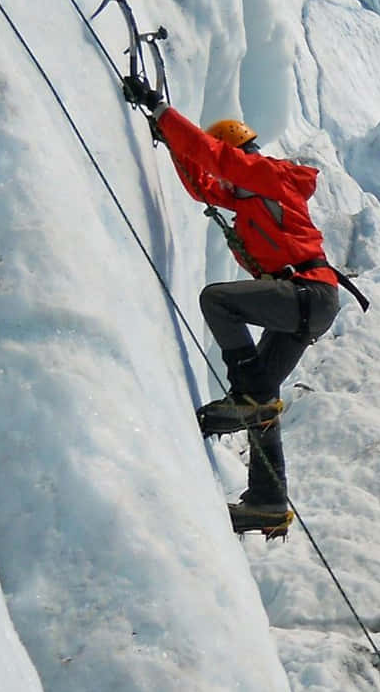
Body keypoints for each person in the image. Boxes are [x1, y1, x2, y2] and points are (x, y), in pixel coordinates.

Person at [122, 76, 355, 529]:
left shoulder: (270, 176)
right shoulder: (249, 196)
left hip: (307, 293)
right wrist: (172, 142)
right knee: (261, 401)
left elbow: (215, 160)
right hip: (310, 301)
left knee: (218, 302)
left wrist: (161, 110)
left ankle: (244, 390)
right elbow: (205, 186)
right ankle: (267, 502)